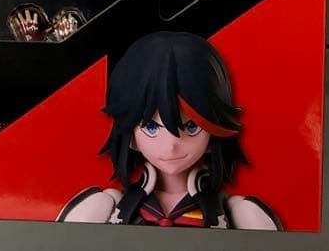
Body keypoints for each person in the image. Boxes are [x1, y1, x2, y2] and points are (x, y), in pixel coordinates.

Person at [58, 31, 281, 230]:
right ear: (130, 135)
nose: (172, 144)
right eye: (152, 126)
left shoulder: (235, 212)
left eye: (192, 127)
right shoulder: (112, 207)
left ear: (214, 131)